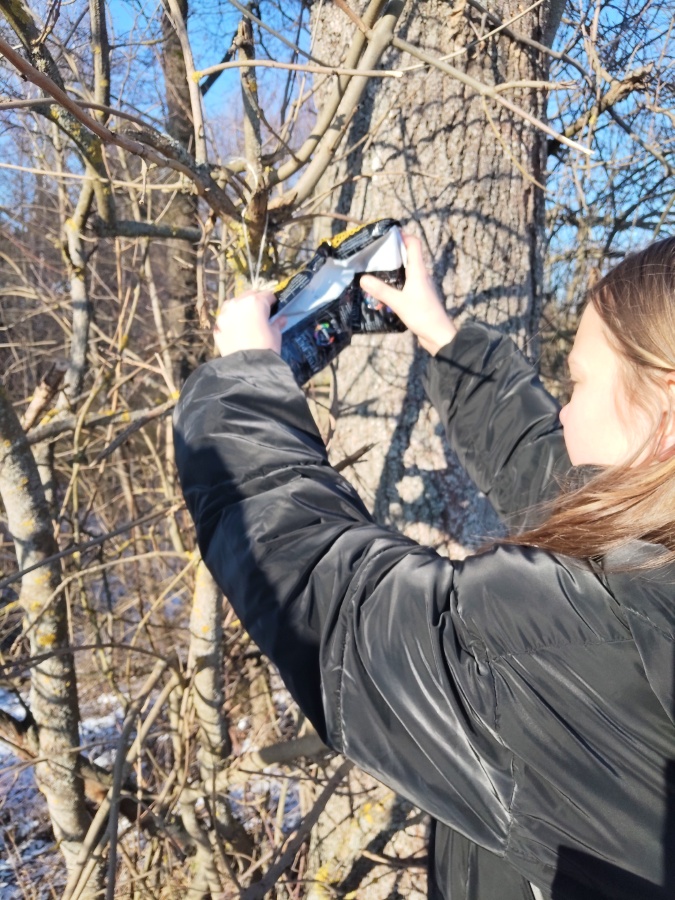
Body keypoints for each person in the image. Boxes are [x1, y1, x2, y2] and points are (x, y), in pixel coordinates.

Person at [173, 233, 675, 900]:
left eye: (577, 384)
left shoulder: (596, 635)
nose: (563, 410)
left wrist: (241, 389)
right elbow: (566, 485)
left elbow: (335, 609)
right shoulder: (651, 572)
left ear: (665, 411)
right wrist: (446, 340)